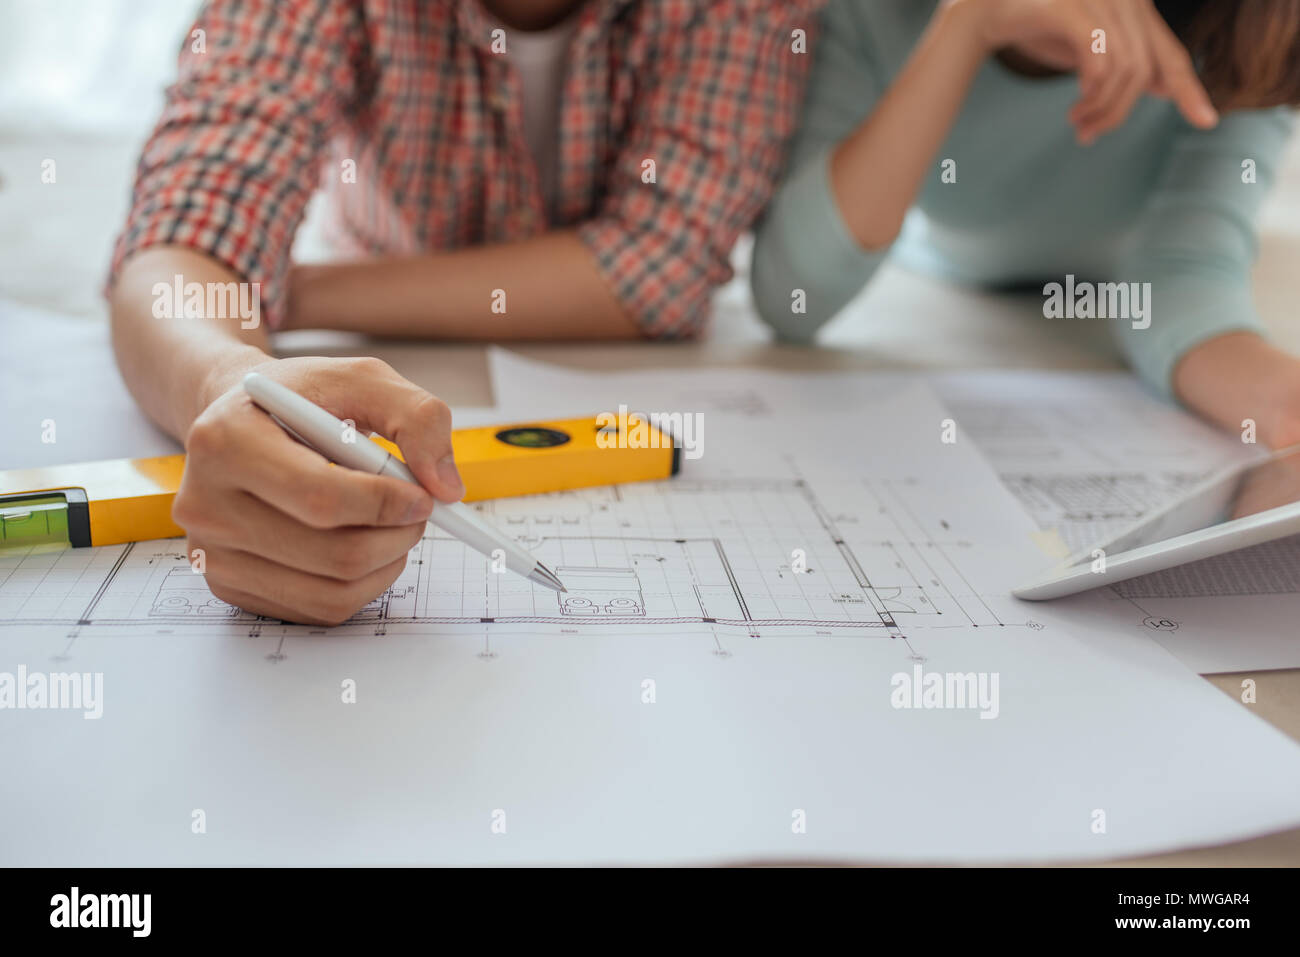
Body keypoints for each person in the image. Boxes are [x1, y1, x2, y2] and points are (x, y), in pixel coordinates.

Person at [107, 0, 815, 625]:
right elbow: (186, 229)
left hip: (352, 282)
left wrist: (294, 291)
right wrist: (227, 377)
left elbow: (663, 268)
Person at [753, 0, 1300, 448]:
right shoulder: (871, 15)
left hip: (1131, 280)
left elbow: (1185, 279)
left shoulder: (1236, 35)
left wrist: (1284, 406)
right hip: (944, 261)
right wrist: (967, 23)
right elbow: (793, 298)